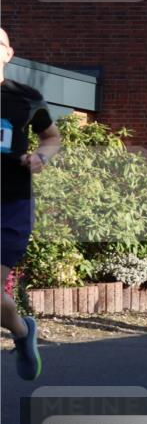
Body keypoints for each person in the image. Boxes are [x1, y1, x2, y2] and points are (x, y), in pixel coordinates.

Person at [1, 27, 60, 381]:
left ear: (9, 53)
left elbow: (51, 137)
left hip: (11, 204)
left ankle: (22, 332)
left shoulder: (26, 98)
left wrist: (41, 156)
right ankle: (23, 332)